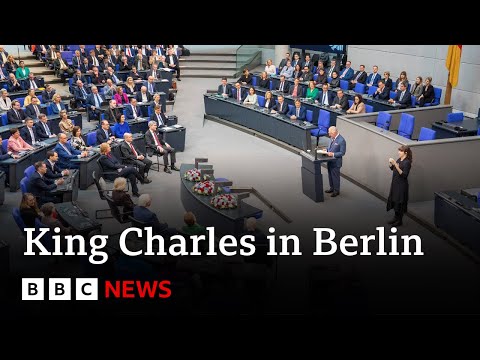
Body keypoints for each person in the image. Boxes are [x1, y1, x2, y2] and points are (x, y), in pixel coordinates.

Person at [387, 145, 412, 227]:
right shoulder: (399, 159)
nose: (398, 152)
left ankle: (400, 220)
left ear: (405, 153)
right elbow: (393, 169)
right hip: (395, 183)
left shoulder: (407, 162)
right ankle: (395, 217)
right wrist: (391, 164)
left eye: (400, 151)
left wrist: (396, 165)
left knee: (400, 202)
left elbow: (404, 175)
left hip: (401, 185)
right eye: (399, 150)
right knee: (395, 200)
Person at [325, 126, 346, 197]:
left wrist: (333, 154)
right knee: (330, 176)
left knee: (335, 177)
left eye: (330, 133)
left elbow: (342, 153)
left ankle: (336, 191)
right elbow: (330, 148)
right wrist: (326, 150)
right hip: (329, 160)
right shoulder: (332, 138)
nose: (329, 135)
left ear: (334, 132)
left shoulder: (341, 140)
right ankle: (331, 188)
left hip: (336, 162)